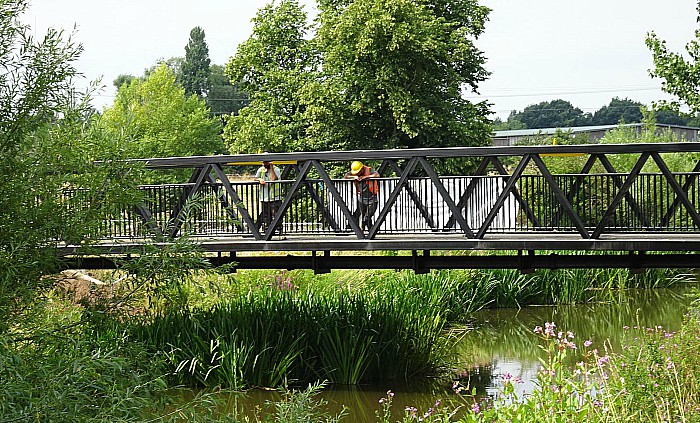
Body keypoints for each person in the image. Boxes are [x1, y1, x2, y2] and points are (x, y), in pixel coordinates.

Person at [345, 160, 380, 230]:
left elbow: (377, 175)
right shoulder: (354, 172)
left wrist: (366, 177)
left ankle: (368, 229)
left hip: (372, 197)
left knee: (368, 215)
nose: (357, 174)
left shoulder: (369, 170)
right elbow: (346, 176)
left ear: (362, 168)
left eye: (358, 172)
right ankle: (368, 231)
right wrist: (354, 177)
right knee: (363, 215)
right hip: (361, 197)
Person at [255, 157, 283, 234]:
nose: (264, 164)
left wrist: (271, 168)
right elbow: (255, 178)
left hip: (275, 197)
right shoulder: (261, 170)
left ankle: (279, 230)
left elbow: (274, 178)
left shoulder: (276, 169)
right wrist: (260, 179)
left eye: (266, 162)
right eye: (263, 162)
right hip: (264, 196)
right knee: (266, 215)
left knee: (277, 214)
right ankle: (267, 230)